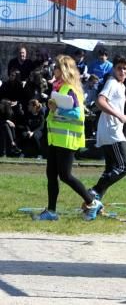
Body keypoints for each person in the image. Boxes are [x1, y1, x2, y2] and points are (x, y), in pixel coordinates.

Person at [33, 55, 104, 222]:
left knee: (65, 175)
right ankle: (51, 211)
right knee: (51, 173)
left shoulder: (71, 90)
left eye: (56, 68)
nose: (53, 71)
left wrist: (57, 109)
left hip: (67, 139)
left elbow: (78, 114)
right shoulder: (59, 88)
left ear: (63, 70)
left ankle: (92, 202)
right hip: (56, 138)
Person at [88, 55, 126, 204]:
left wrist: (125, 117)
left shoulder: (121, 86)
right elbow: (100, 101)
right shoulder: (112, 82)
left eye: (125, 68)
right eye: (119, 68)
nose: (122, 71)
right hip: (111, 131)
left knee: (110, 169)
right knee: (124, 167)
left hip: (109, 129)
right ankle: (94, 190)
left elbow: (114, 106)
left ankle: (94, 203)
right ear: (113, 69)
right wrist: (119, 116)